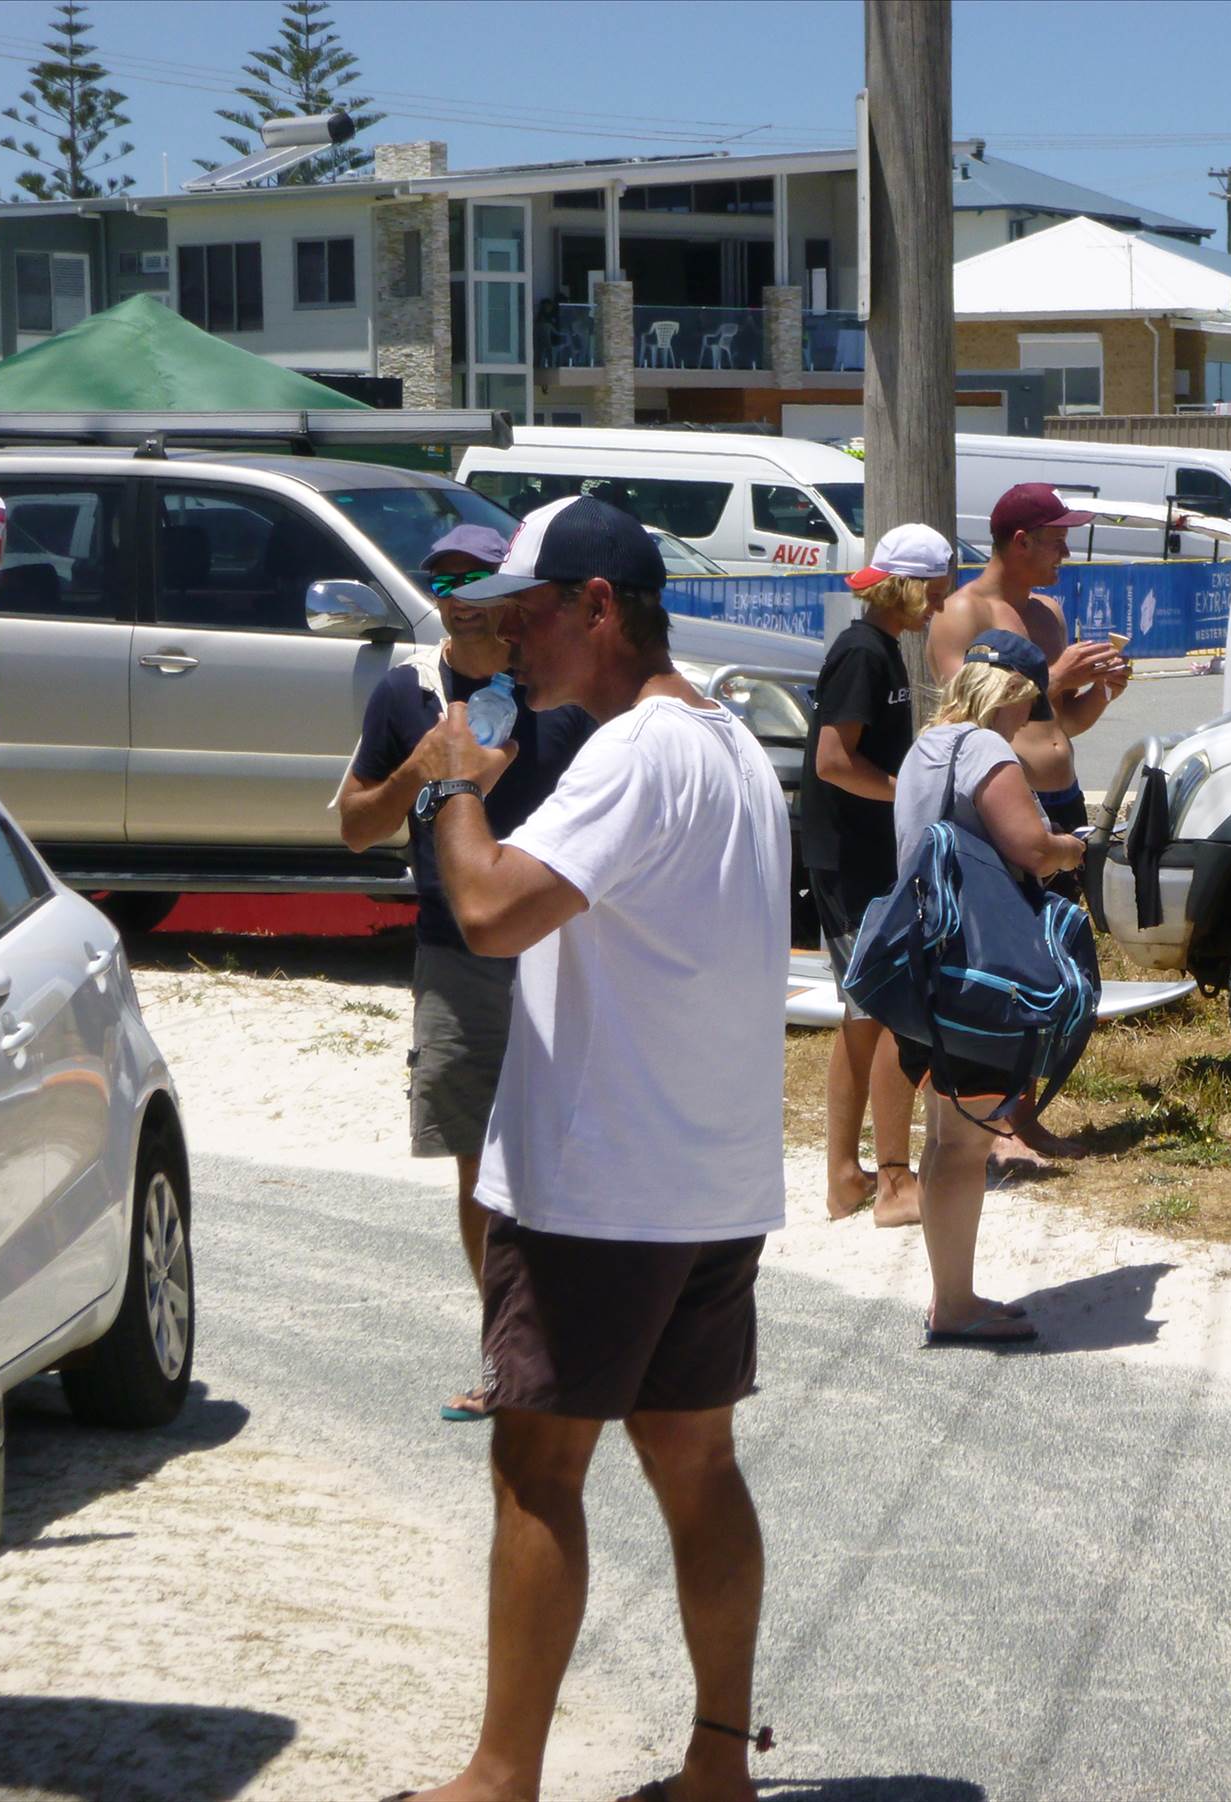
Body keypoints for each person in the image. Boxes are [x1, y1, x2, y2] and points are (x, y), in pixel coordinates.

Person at [396, 495, 788, 1802]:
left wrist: (451, 783)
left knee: (534, 1467)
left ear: (600, 606)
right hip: (710, 1178)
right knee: (696, 1462)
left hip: (599, 1188)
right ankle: (718, 1764)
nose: (510, 637)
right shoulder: (730, 743)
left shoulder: (635, 753)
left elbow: (489, 908)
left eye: (529, 612)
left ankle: (500, 1776)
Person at [335, 523, 596, 1424]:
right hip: (454, 956)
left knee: (572, 1151)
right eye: (445, 585)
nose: (461, 603)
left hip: (561, 952)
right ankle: (507, 1357)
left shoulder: (556, 688)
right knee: (479, 1168)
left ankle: (587, 1344)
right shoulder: (407, 692)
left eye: (480, 586)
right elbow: (355, 828)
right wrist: (423, 767)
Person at [892, 631, 1087, 1346]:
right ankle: (955, 1304)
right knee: (963, 1145)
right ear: (1012, 694)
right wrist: (1070, 847)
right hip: (977, 970)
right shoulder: (984, 749)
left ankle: (952, 1294)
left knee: (946, 1136)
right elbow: (1031, 850)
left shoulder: (927, 746)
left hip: (928, 963)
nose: (1025, 720)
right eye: (1028, 705)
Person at [929, 483, 1128, 1169]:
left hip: (1059, 796)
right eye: (1056, 541)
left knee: (1050, 956)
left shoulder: (1046, 613)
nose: (1065, 554)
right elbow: (969, 715)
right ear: (1020, 542)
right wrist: (1053, 677)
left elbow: (1055, 722)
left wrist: (1098, 693)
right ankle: (998, 1120)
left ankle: (1024, 1114)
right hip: (1001, 801)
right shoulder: (962, 613)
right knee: (1005, 962)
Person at [802, 524, 954, 1227]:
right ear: (910, 587)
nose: (942, 604)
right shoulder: (863, 652)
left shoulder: (880, 647)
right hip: (851, 859)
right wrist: (908, 795)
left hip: (857, 856)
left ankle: (845, 1176)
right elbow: (834, 761)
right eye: (938, 589)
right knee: (893, 1010)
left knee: (863, 1018)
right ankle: (893, 1183)